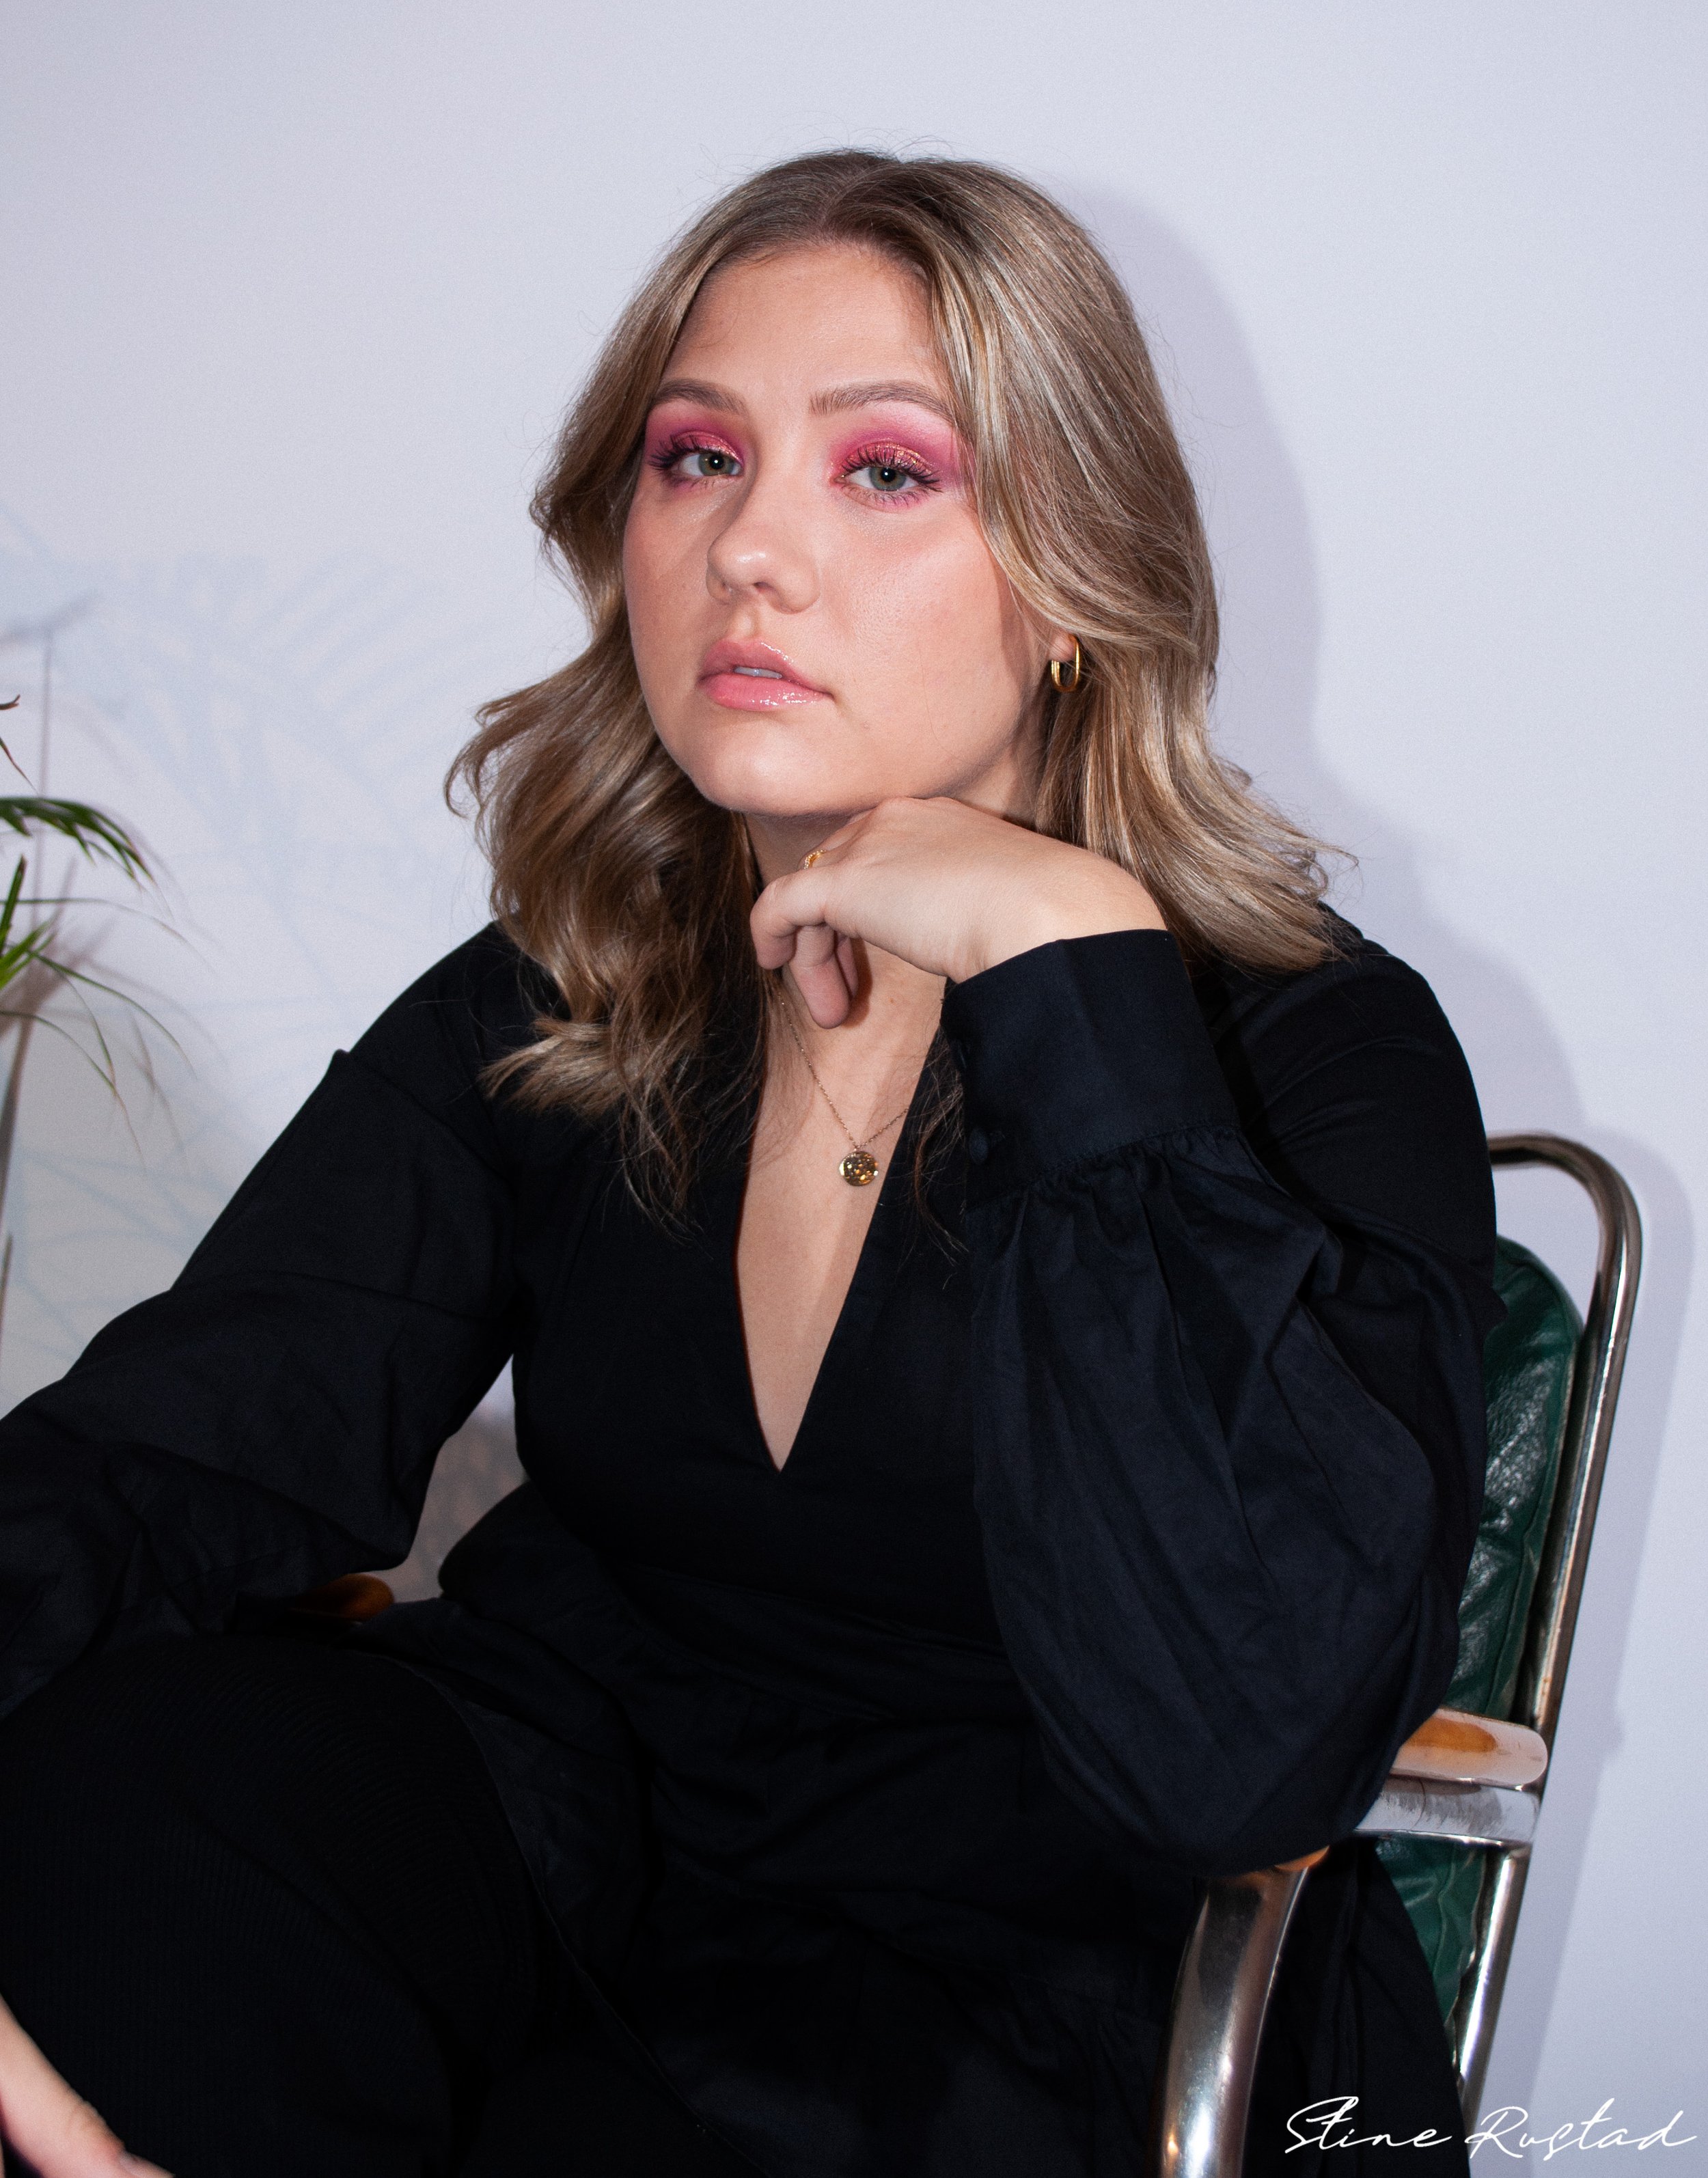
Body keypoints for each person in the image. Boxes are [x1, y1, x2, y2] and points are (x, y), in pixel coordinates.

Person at [0, 152, 1500, 2178]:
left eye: (884, 471)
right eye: (697, 458)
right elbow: (194, 1441)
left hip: (1032, 1971)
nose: (750, 551)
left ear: (1074, 576)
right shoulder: (579, 982)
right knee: (123, 1798)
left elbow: (1236, 1739)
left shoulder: (1311, 1049)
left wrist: (1067, 964)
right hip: (571, 1835)